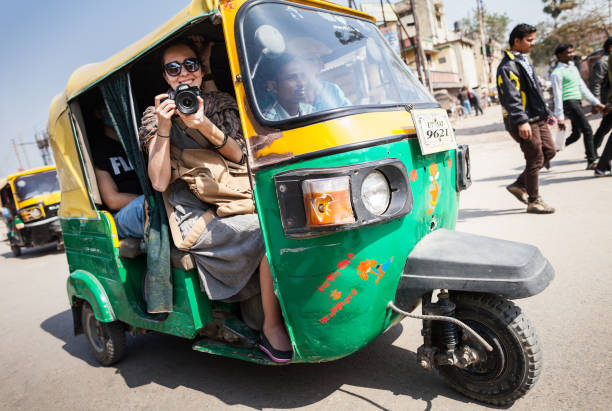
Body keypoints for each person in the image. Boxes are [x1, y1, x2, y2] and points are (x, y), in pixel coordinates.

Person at [139, 39, 292, 362]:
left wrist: (203, 124)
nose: (183, 74)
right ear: (166, 77)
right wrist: (166, 128)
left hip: (235, 198)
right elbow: (159, 180)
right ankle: (271, 326)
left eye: (190, 65)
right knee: (268, 236)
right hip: (194, 214)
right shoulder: (155, 115)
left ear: (200, 69)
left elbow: (240, 156)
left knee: (289, 221)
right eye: (174, 68)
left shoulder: (221, 103)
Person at [496, 23, 556, 214]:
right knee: (535, 156)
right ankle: (534, 200)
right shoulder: (507, 66)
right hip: (523, 120)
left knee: (549, 151)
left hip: (537, 117)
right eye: (529, 40)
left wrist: (547, 113)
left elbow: (535, 91)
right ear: (516, 41)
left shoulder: (523, 61)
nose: (533, 43)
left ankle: (520, 185)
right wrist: (521, 120)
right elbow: (510, 96)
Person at [92, 108, 145, 239]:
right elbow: (112, 200)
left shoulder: (137, 141)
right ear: (100, 113)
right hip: (121, 214)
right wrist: (152, 198)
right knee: (151, 207)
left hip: (146, 201)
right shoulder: (98, 150)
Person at [551, 44, 604, 169]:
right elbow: (557, 95)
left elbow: (582, 88)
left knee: (576, 134)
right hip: (568, 103)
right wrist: (560, 117)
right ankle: (592, 160)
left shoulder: (573, 68)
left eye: (572, 52)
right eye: (568, 52)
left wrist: (596, 102)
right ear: (559, 55)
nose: (571, 54)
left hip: (577, 101)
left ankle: (549, 152)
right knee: (587, 129)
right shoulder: (557, 73)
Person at [262, 54, 314, 121]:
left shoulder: (309, 110)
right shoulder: (267, 121)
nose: (301, 83)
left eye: (303, 75)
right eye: (292, 78)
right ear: (273, 86)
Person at [591, 38, 612, 154]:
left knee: (606, 126)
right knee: (606, 126)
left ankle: (592, 149)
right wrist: (596, 102)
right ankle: (592, 149)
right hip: (608, 99)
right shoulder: (602, 62)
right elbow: (596, 83)